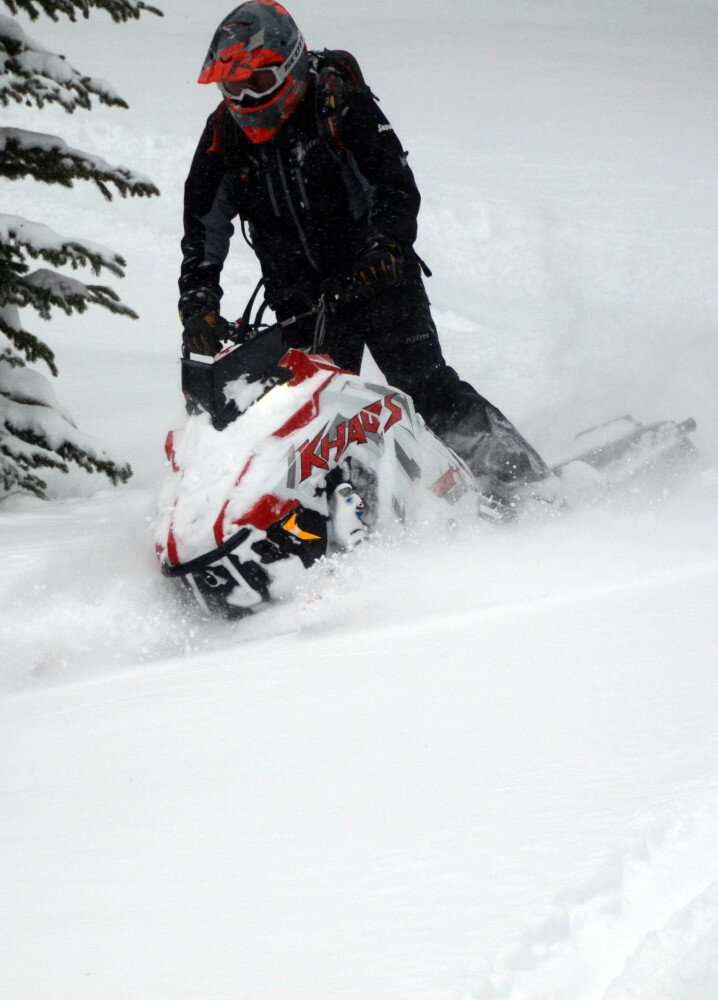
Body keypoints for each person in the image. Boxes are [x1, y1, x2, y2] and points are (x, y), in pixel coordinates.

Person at [179, 0, 548, 488]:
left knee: (426, 388)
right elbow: (203, 226)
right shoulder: (222, 135)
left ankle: (524, 480)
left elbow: (395, 186)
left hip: (376, 279)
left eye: (259, 84)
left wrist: (385, 248)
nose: (246, 99)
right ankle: (346, 513)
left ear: (290, 67)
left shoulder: (338, 103)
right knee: (310, 416)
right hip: (301, 300)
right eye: (234, 87)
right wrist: (199, 298)